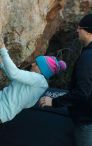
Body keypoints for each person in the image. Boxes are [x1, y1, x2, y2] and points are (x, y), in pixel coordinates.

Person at [39, 13, 92, 146]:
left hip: (87, 121)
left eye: (81, 28)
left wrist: (54, 102)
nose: (77, 30)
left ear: (90, 33)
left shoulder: (87, 57)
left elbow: (82, 92)